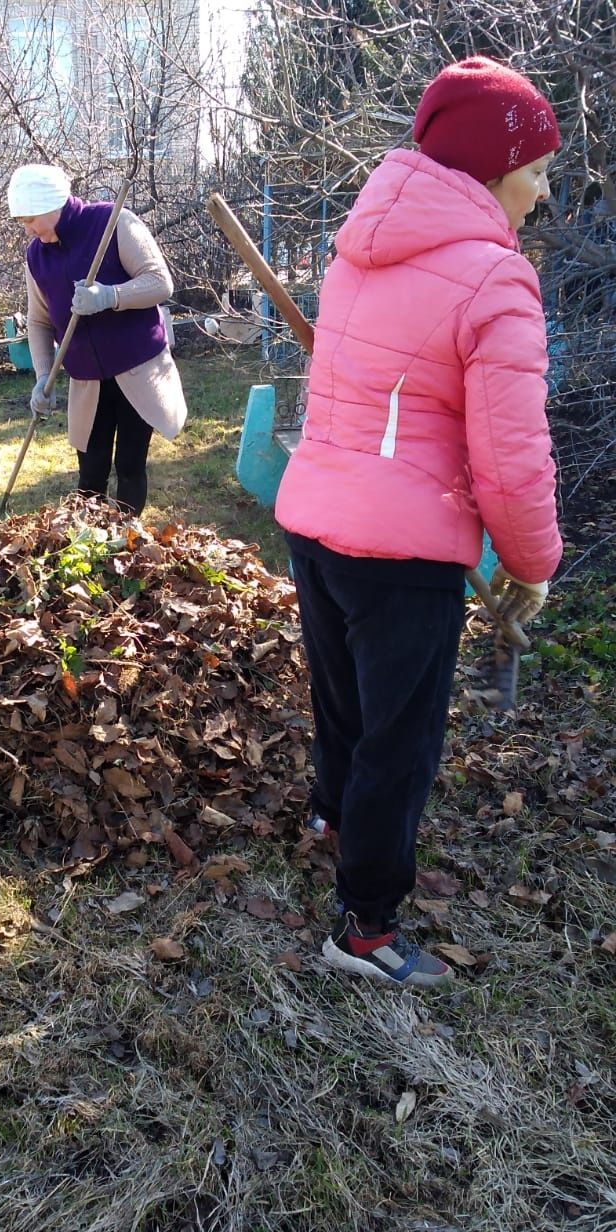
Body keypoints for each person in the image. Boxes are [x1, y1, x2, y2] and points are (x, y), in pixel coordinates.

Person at [275, 57, 564, 987]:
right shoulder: (495, 281)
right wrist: (534, 563)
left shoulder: (363, 245)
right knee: (400, 743)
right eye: (536, 171)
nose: (544, 190)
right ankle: (364, 927)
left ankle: (328, 815)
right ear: (491, 172)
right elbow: (511, 463)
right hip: (404, 553)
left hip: (315, 520)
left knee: (343, 698)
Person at [6, 164, 187, 516]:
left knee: (130, 464)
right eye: (22, 221)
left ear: (51, 204)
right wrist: (44, 376)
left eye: (30, 219)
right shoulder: (37, 256)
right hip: (87, 380)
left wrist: (110, 296)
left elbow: (160, 281)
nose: (27, 229)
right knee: (91, 471)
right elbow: (39, 321)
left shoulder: (113, 222)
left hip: (139, 369)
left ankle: (126, 542)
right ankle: (89, 544)